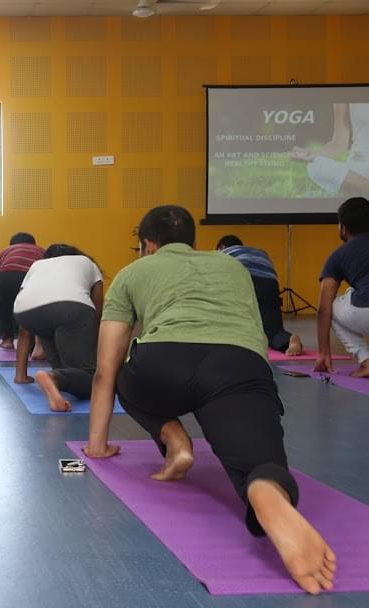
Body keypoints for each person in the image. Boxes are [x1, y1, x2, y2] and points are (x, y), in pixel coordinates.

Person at [82, 205, 336, 595]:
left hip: (162, 363)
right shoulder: (231, 267)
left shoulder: (133, 273)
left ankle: (173, 437)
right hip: (237, 365)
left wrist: (97, 446)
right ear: (192, 241)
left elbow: (105, 368)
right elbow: (257, 333)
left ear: (147, 244)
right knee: (259, 462)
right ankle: (265, 492)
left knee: (127, 377)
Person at [11, 244, 103, 412]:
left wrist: (20, 375)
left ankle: (54, 377)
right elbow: (97, 311)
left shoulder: (37, 265)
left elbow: (25, 332)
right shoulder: (87, 262)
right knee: (90, 378)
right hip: (70, 309)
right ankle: (51, 377)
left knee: (62, 368)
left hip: (26, 312)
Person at [216, 235, 303, 355]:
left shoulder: (223, 253)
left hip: (244, 279)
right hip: (269, 284)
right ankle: (288, 340)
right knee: (273, 331)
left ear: (222, 247)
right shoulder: (260, 253)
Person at [314, 196, 369, 378]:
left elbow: (323, 309)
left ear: (343, 228)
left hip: (364, 311)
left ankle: (366, 361)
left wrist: (323, 353)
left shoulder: (338, 255)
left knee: (333, 305)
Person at [0, 233, 45, 349]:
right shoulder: (42, 251)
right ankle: (39, 345)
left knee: (0, 297)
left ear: (12, 245)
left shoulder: (4, 252)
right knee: (39, 304)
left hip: (6, 278)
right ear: (33, 244)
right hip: (33, 278)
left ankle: (7, 340)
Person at [290, 103, 369, 195]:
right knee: (315, 165)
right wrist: (310, 154)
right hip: (357, 165)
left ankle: (360, 189)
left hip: (354, 178)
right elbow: (338, 144)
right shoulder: (343, 93)